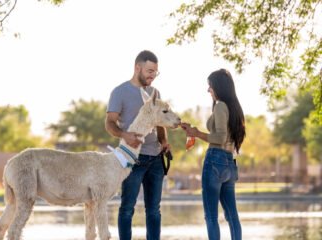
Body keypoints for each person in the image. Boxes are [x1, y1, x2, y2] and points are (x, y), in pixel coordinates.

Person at [105, 50, 171, 240]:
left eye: (155, 72)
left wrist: (164, 141)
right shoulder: (119, 92)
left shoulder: (154, 92)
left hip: (155, 158)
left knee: (154, 211)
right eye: (150, 71)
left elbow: (159, 121)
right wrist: (124, 134)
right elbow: (109, 123)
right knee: (127, 208)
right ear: (137, 68)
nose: (153, 75)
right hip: (132, 159)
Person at [181, 69, 246, 240]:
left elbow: (220, 137)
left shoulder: (220, 105)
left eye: (209, 86)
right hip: (230, 164)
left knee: (211, 216)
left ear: (218, 86)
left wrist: (197, 134)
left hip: (215, 160)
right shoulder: (235, 108)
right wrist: (193, 131)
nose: (208, 90)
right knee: (232, 216)